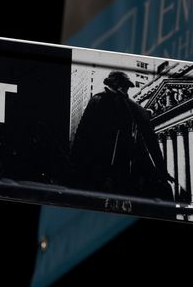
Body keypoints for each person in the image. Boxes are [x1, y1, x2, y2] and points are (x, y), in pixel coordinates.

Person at [67, 70, 174, 201]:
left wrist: (162, 170)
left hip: (125, 168)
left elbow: (149, 139)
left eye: (127, 87)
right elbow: (82, 135)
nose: (126, 89)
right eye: (125, 86)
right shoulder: (99, 100)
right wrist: (76, 165)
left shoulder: (130, 106)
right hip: (100, 168)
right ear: (116, 84)